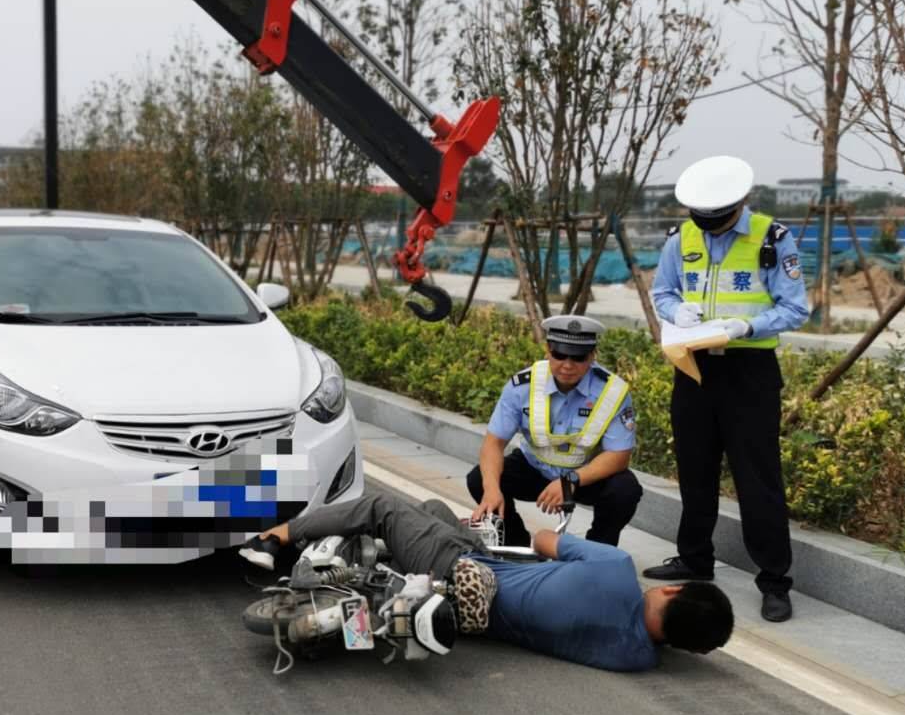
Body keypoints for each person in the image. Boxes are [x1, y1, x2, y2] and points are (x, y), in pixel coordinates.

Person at [239, 492, 734, 672]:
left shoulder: (617, 569)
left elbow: (543, 541)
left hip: (463, 570)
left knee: (382, 507)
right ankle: (363, 578)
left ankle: (276, 535)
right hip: (477, 623)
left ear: (671, 589)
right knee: (432, 511)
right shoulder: (635, 658)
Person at [642, 156, 809, 623]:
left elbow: (795, 308)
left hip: (748, 371)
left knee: (758, 479)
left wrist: (745, 325)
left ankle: (775, 580)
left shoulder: (772, 239)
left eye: (719, 220)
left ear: (740, 204)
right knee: (695, 471)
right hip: (693, 366)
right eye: (703, 220)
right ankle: (695, 558)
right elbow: (662, 293)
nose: (710, 229)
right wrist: (677, 313)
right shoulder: (682, 238)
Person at [465, 314, 642, 547]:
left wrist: (571, 480)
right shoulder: (522, 386)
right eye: (559, 354)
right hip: (534, 470)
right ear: (548, 350)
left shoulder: (612, 392)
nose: (567, 365)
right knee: (480, 478)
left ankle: (596, 552)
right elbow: (493, 443)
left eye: (578, 357)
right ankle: (515, 543)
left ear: (592, 356)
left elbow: (619, 457)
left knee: (625, 490)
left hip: (583, 476)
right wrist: (491, 490)